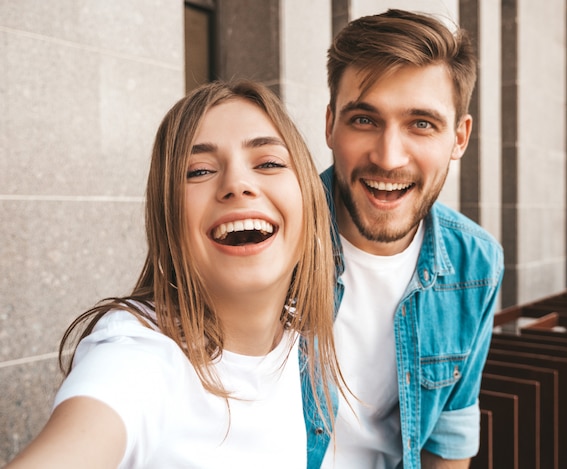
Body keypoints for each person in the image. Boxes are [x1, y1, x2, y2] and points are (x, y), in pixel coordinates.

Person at [6, 80, 345, 469]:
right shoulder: (140, 354)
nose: (237, 184)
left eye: (268, 163)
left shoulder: (300, 341)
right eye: (198, 170)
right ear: (168, 218)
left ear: (310, 199)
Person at [305, 9, 505, 469]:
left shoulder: (475, 263)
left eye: (421, 124)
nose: (389, 157)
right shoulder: (269, 237)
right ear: (331, 124)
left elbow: (450, 437)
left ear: (459, 138)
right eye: (364, 120)